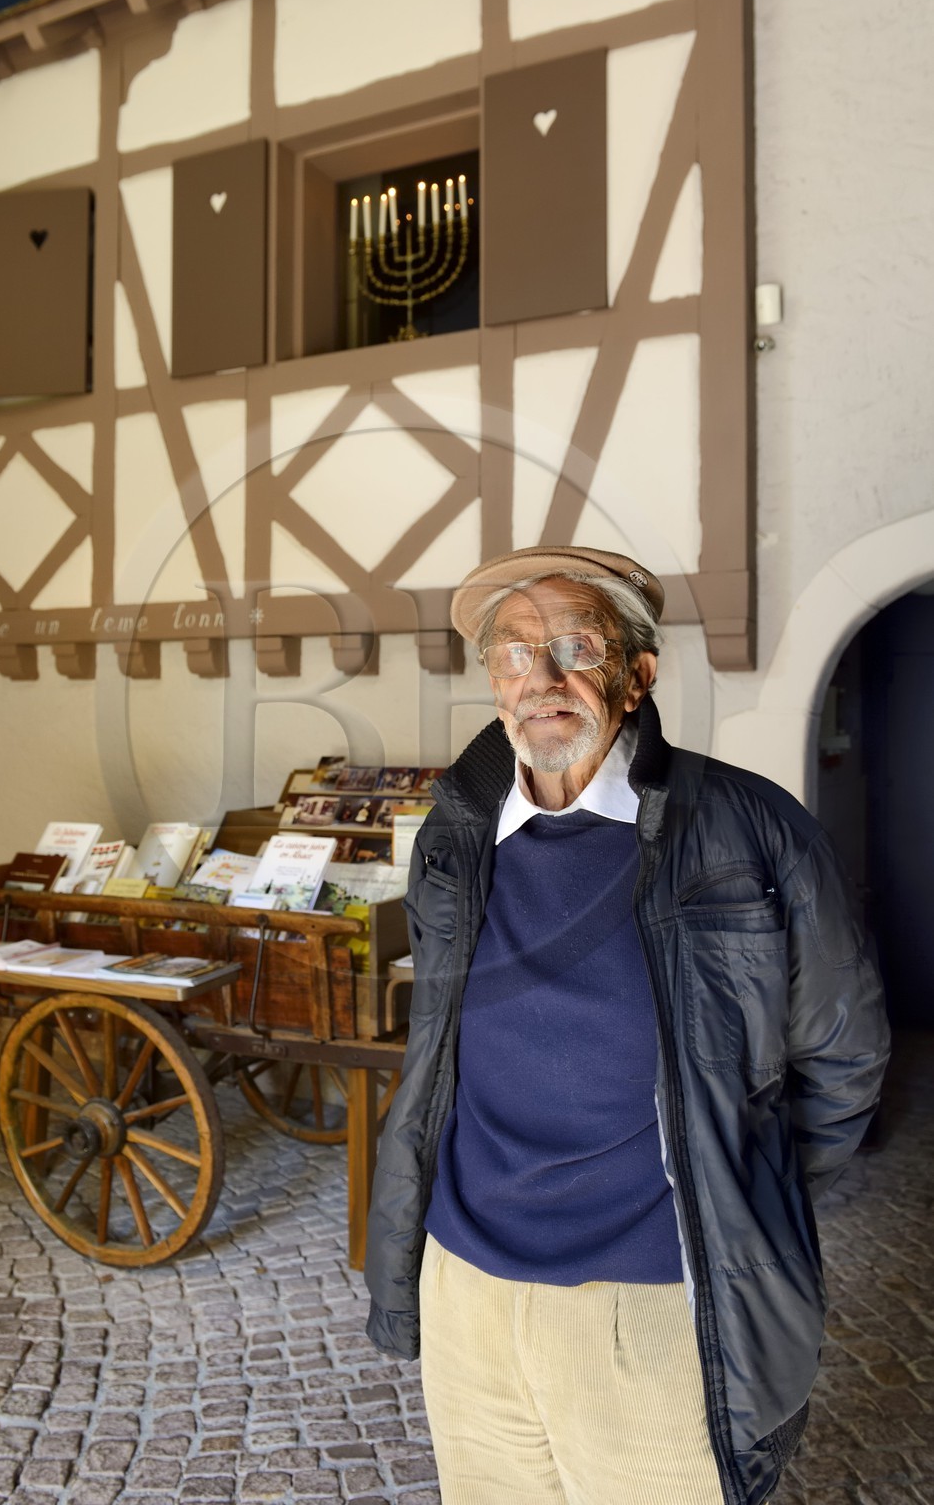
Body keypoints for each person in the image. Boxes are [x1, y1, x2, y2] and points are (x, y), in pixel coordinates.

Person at [364, 546, 890, 1505]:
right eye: (515, 655)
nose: (544, 679)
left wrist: (730, 1178)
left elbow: (844, 1057)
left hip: (649, 1301)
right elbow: (437, 1043)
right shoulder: (454, 832)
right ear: (492, 683)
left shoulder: (749, 828)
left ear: (638, 676)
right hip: (467, 1287)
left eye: (575, 647)